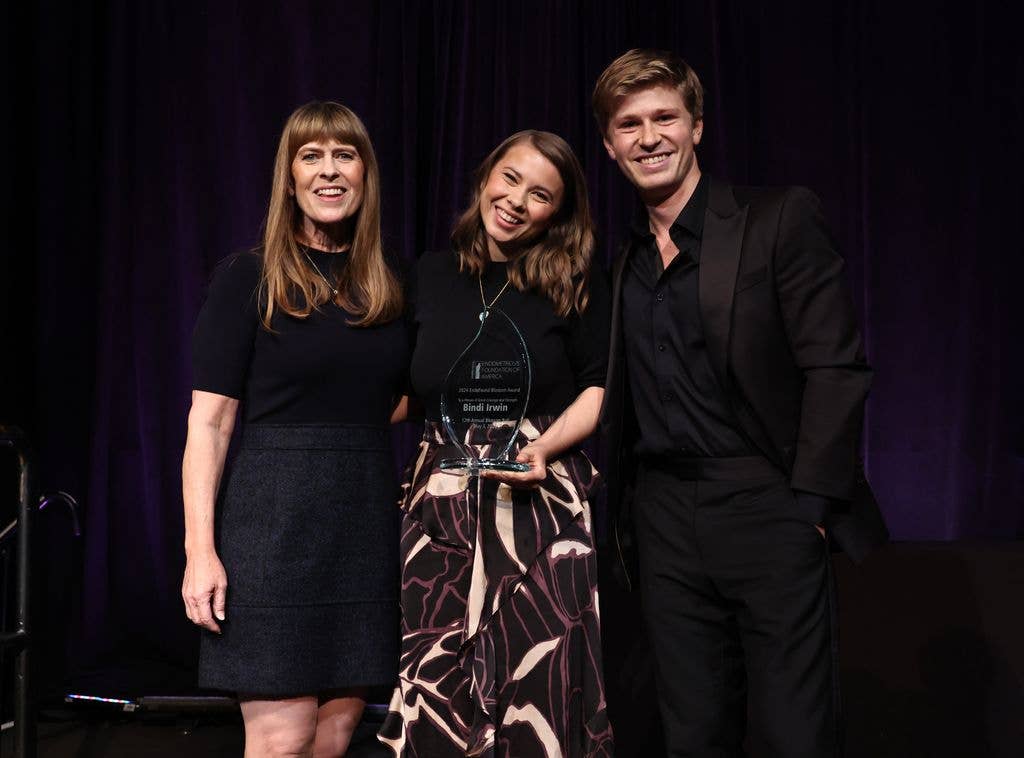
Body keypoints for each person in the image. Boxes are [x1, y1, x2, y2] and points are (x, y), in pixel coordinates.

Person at [593, 49, 888, 756]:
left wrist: (809, 509)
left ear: (697, 126)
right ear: (609, 146)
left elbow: (837, 367)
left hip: (766, 502)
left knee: (793, 731)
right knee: (691, 732)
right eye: (629, 125)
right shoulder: (622, 260)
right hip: (663, 516)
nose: (649, 137)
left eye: (665, 117)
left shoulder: (776, 219)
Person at [181, 101, 407, 757]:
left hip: (362, 521)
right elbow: (210, 423)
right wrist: (201, 550)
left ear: (365, 173)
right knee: (283, 737)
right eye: (312, 156)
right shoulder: (248, 279)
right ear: (289, 177)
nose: (329, 171)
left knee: (334, 736)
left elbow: (394, 398)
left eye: (345, 155)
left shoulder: (390, 284)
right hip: (272, 525)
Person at [378, 130, 614, 756]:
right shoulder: (429, 274)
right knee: (438, 678)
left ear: (557, 213)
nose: (516, 201)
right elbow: (409, 390)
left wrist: (543, 449)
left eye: (540, 195)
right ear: (486, 177)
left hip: (540, 503)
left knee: (534, 685)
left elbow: (597, 389)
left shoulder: (574, 280)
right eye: (509, 179)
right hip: (441, 505)